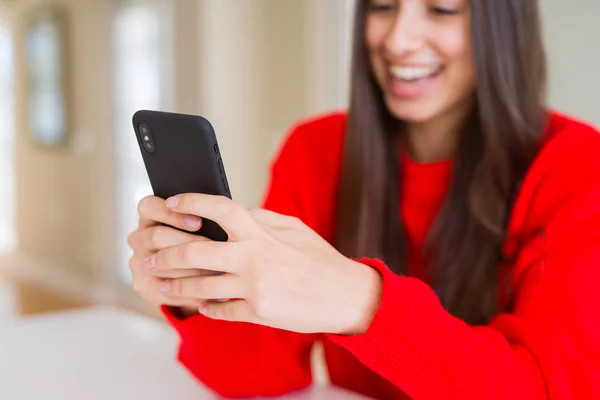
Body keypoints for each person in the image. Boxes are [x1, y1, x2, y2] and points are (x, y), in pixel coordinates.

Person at [126, 0, 600, 398]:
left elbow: (546, 389)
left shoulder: (577, 166)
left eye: (441, 9)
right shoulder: (314, 152)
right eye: (383, 6)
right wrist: (193, 290)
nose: (398, 40)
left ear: (503, 24)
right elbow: (260, 375)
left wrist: (360, 303)